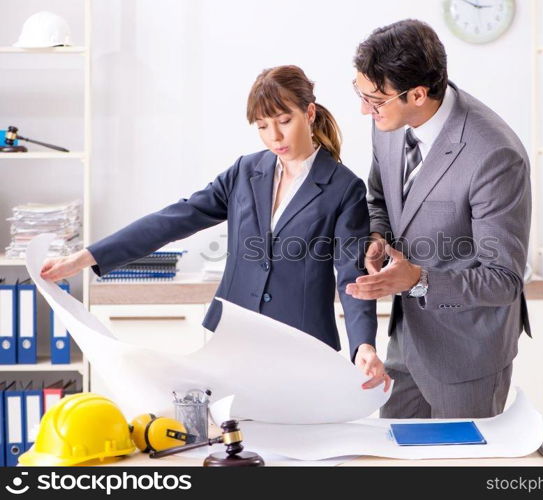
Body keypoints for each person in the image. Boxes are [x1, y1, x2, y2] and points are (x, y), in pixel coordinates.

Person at [41, 65, 390, 391]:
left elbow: (351, 275)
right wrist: (87, 257)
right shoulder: (245, 172)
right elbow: (176, 218)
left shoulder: (343, 187)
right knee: (231, 445)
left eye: (284, 120)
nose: (275, 136)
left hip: (303, 345)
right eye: (263, 126)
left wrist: (363, 345)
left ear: (309, 113)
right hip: (231, 339)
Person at [346, 20, 532, 417]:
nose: (365, 109)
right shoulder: (387, 123)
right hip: (407, 340)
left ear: (417, 94)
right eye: (361, 94)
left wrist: (419, 279)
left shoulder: (494, 155)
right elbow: (379, 197)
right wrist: (378, 234)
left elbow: (503, 279)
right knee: (392, 461)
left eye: (375, 99)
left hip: (469, 354)